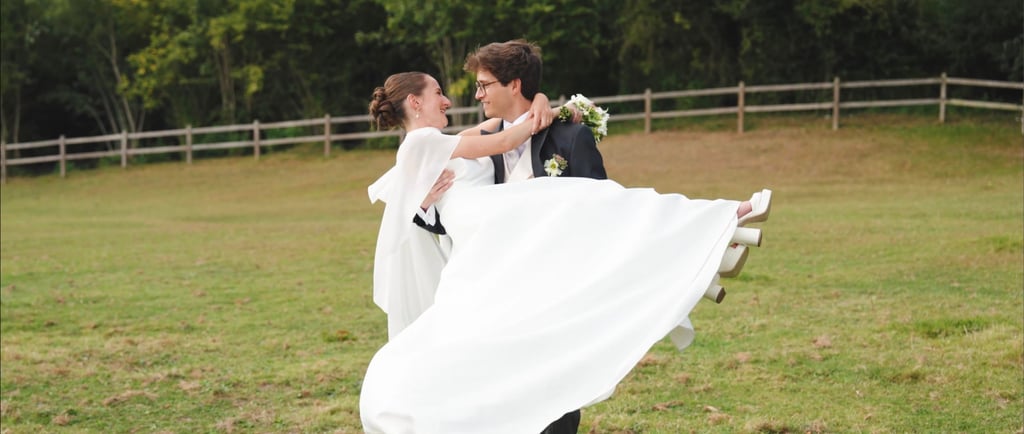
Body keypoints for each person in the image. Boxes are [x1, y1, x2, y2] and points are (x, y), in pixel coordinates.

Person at [361, 71, 771, 434]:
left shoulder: (438, 141)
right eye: (437, 92)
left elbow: (500, 125)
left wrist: (544, 103)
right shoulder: (421, 143)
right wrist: (421, 203)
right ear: (415, 101)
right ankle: (715, 227)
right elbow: (504, 138)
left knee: (580, 207)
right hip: (482, 218)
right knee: (580, 201)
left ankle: (711, 238)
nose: (448, 99)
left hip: (486, 218)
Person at [413, 40, 609, 433]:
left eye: (484, 85)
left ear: (514, 85)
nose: (478, 94)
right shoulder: (479, 146)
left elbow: (604, 209)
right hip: (499, 291)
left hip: (555, 287)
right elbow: (454, 217)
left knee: (556, 389)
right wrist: (425, 204)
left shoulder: (569, 138)